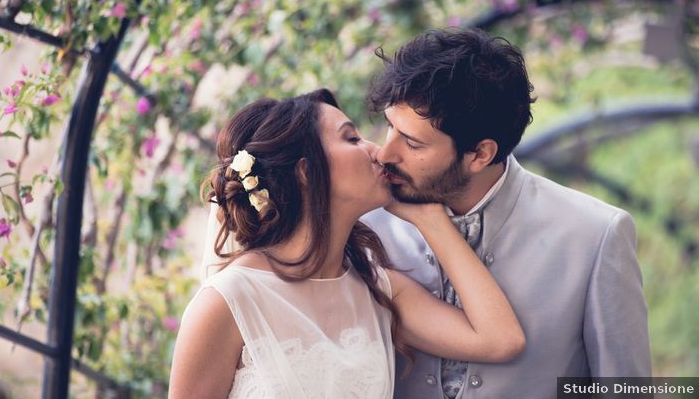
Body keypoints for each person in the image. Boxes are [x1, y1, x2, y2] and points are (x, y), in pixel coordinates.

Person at [169, 89, 525, 399]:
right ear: (306, 172)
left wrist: (430, 219)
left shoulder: (377, 288)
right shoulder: (228, 301)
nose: (379, 152)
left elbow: (499, 339)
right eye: (352, 138)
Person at [362, 28, 651, 398]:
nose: (386, 154)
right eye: (390, 126)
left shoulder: (594, 236)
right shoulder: (363, 222)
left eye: (413, 142)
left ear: (480, 154)